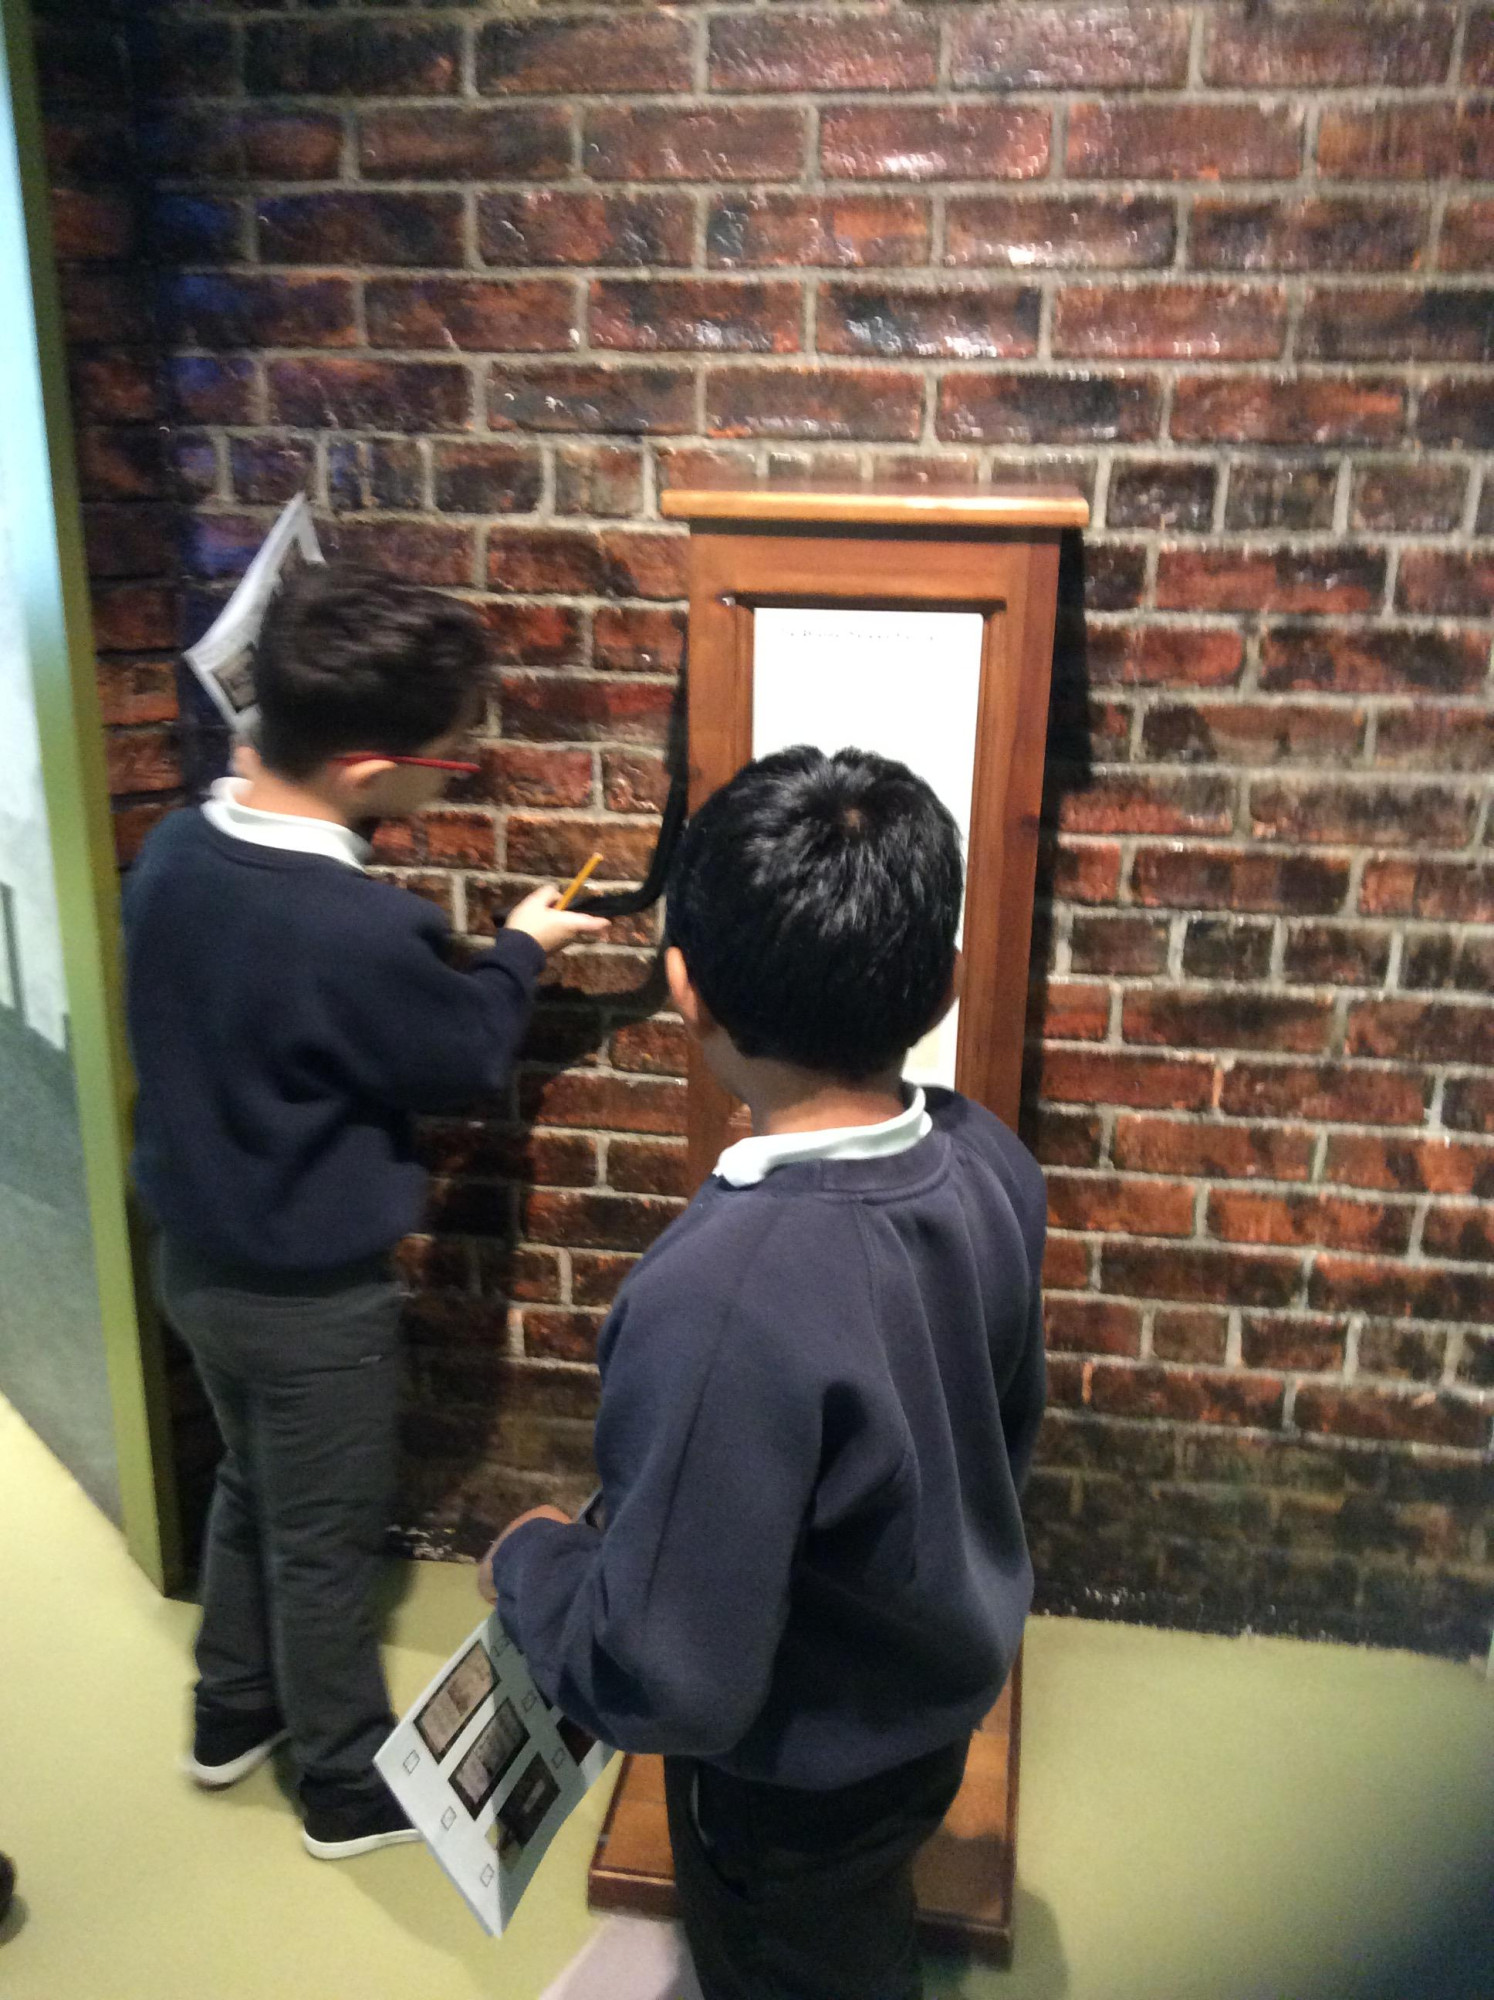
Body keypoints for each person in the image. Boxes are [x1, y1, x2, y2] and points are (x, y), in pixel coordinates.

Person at [483, 746, 1047, 2000]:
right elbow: (1001, 1433)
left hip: (792, 1783)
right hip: (930, 1691)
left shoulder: (720, 1294)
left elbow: (670, 1676)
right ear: (944, 978)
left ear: (686, 988)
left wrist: (530, 1566)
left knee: (792, 1959)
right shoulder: (991, 1161)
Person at [123, 565, 606, 1860]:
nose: (453, 775)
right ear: (369, 769)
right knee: (326, 1542)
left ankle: (232, 1710)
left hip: (195, 1265)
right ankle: (339, 1781)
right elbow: (461, 1054)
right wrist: (520, 948)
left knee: (249, 1484)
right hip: (310, 1303)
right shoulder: (354, 928)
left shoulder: (174, 852)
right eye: (447, 762)